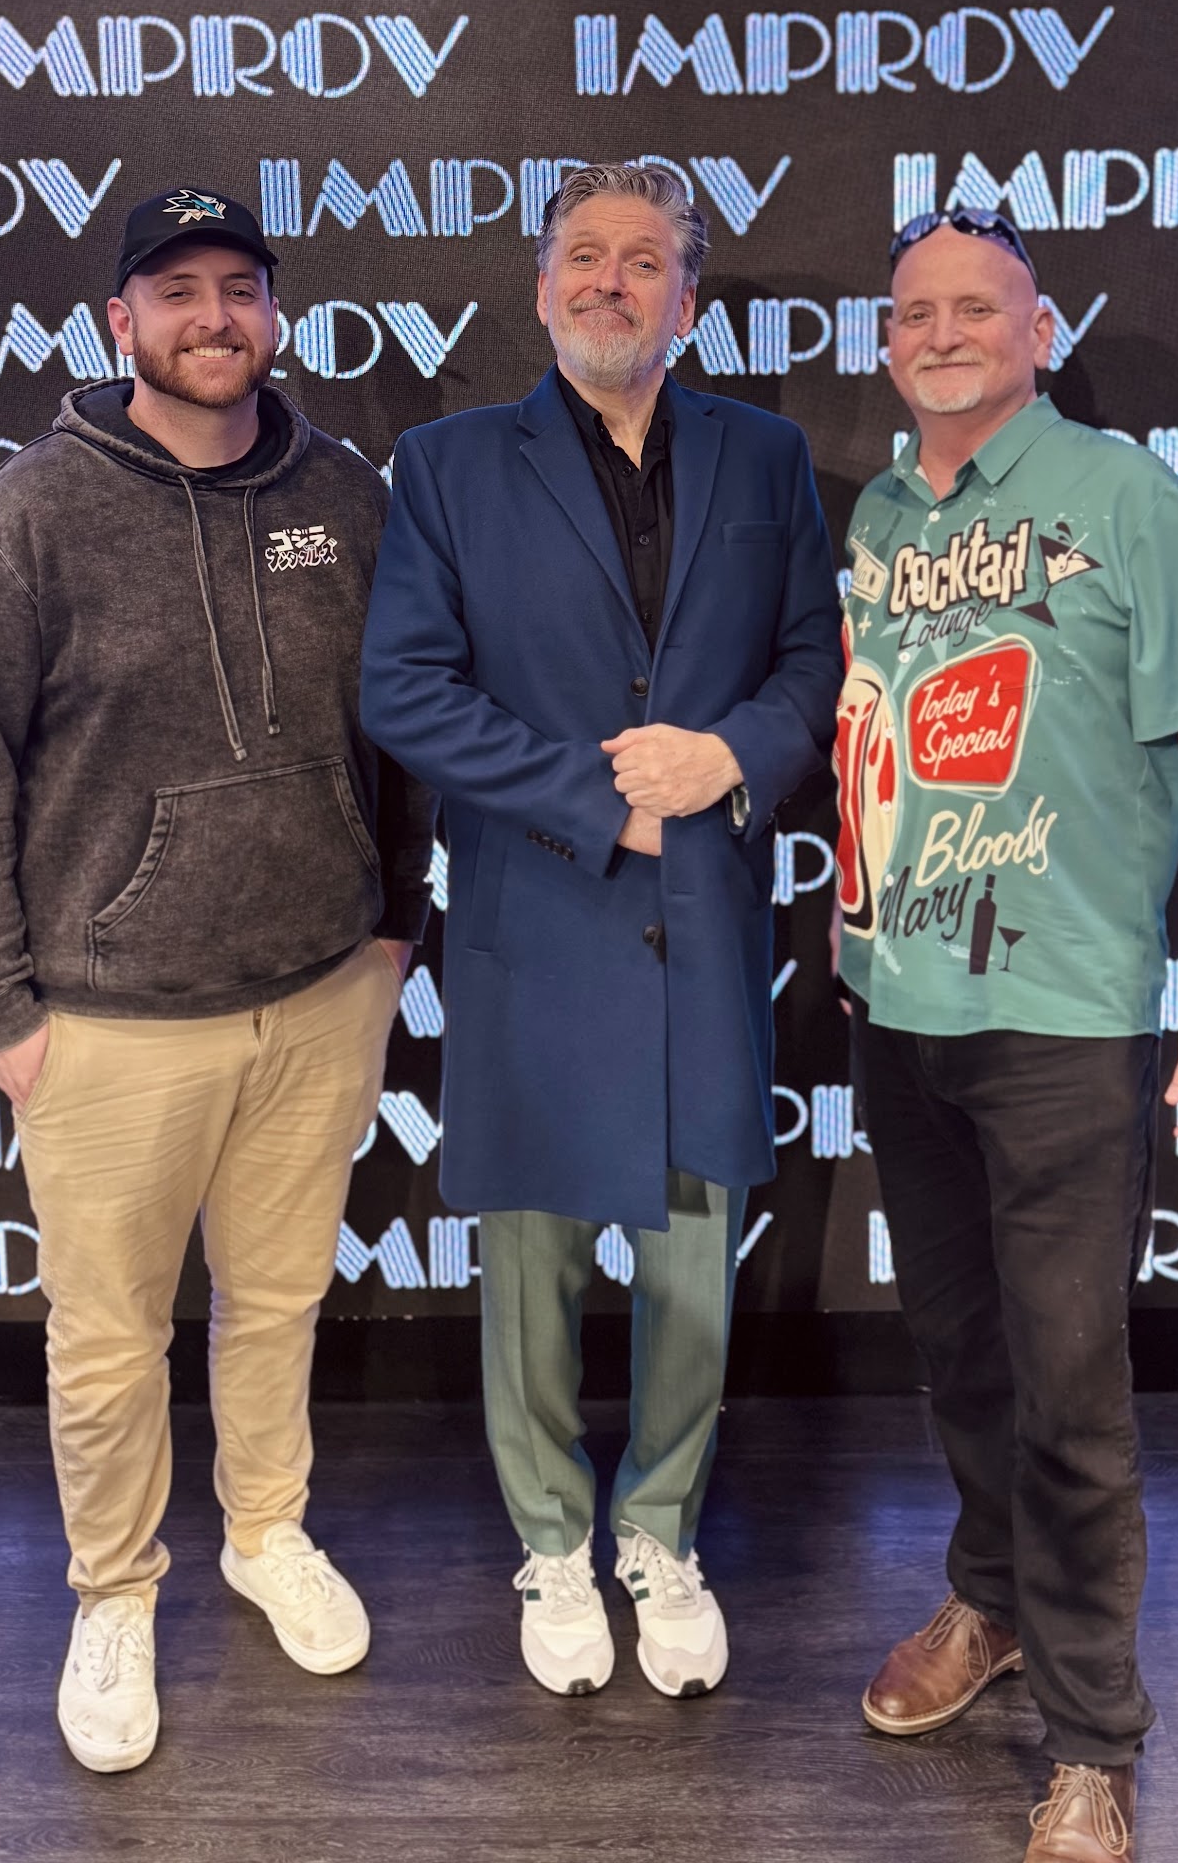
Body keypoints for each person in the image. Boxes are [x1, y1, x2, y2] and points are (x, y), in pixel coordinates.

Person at [0, 187, 436, 1773]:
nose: (216, 317)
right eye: (180, 290)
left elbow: (401, 722)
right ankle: (115, 1593)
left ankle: (266, 1532)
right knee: (110, 1341)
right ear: (120, 320)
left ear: (274, 312)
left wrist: (396, 925)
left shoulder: (343, 491)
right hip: (110, 1021)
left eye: (241, 288)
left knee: (276, 1303)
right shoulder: (30, 517)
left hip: (320, 992)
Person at [361, 163, 841, 1699]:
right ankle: (553, 1541)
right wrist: (600, 799)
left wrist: (731, 759)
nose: (610, 282)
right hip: (542, 919)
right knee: (532, 1269)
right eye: (585, 255)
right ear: (541, 285)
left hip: (703, 920)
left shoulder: (766, 456)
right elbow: (405, 689)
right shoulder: (446, 466)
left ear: (687, 298)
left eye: (644, 260)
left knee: (694, 1266)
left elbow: (813, 660)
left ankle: (661, 1531)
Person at [835, 207, 1178, 1861]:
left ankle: (1094, 1742)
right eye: (916, 312)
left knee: (1072, 1389)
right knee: (960, 1351)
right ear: (889, 342)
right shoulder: (883, 513)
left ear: (1037, 333)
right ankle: (993, 1598)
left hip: (1066, 1018)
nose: (943, 333)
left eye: (978, 308)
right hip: (903, 1005)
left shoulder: (1125, 497)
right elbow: (874, 731)